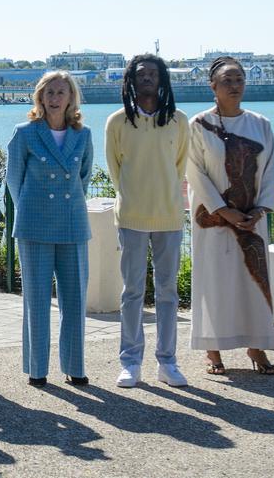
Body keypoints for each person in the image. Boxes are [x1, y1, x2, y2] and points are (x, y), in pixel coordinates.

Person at [187, 56, 274, 375]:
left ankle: (256, 345)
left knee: (254, 282)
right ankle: (212, 348)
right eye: (227, 80)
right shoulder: (198, 125)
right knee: (213, 279)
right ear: (212, 86)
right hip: (211, 219)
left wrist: (259, 210)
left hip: (252, 219)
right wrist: (223, 210)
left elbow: (269, 171)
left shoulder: (261, 124)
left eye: (239, 79)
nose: (234, 85)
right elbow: (194, 171)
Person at [106, 54, 190, 388]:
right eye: (141, 73)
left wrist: (165, 196)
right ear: (131, 79)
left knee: (168, 292)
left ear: (162, 79)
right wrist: (133, 197)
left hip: (169, 217)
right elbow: (115, 170)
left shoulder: (178, 120)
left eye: (154, 73)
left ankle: (167, 362)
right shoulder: (117, 122)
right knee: (132, 292)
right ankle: (130, 362)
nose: (147, 78)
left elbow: (179, 166)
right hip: (131, 217)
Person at [7, 71, 93, 387]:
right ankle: (37, 368)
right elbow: (14, 180)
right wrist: (32, 209)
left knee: (75, 300)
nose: (55, 98)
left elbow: (83, 178)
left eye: (61, 92)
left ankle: (75, 366)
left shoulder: (83, 135)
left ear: (71, 98)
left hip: (73, 223)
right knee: (37, 300)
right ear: (40, 97)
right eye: (50, 92)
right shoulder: (25, 133)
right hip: (34, 225)